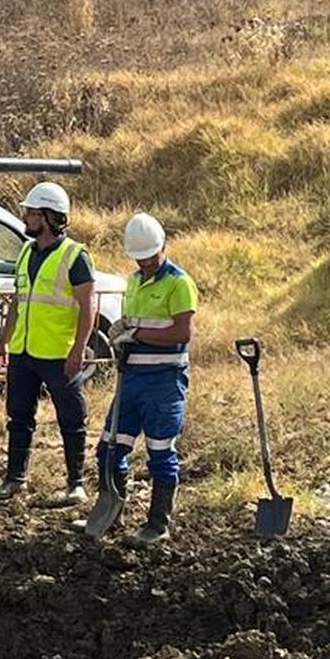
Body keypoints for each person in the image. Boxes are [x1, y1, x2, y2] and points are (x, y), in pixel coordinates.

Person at [0, 182, 97, 507]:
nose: (26, 217)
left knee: (71, 417)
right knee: (18, 415)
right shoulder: (25, 251)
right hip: (24, 350)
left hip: (58, 352)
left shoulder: (75, 256)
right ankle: (14, 478)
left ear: (49, 216)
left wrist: (78, 349)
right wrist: (4, 341)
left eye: (32, 212)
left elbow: (87, 306)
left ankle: (75, 484)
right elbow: (19, 301)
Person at [97, 212, 198, 548]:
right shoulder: (135, 280)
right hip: (132, 378)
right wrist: (121, 332)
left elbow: (182, 332)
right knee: (110, 446)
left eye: (150, 257)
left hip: (164, 381)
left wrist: (136, 335)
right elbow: (133, 323)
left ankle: (158, 524)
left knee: (160, 452)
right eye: (139, 258)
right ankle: (112, 513)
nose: (145, 263)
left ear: (163, 247)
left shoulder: (178, 283)